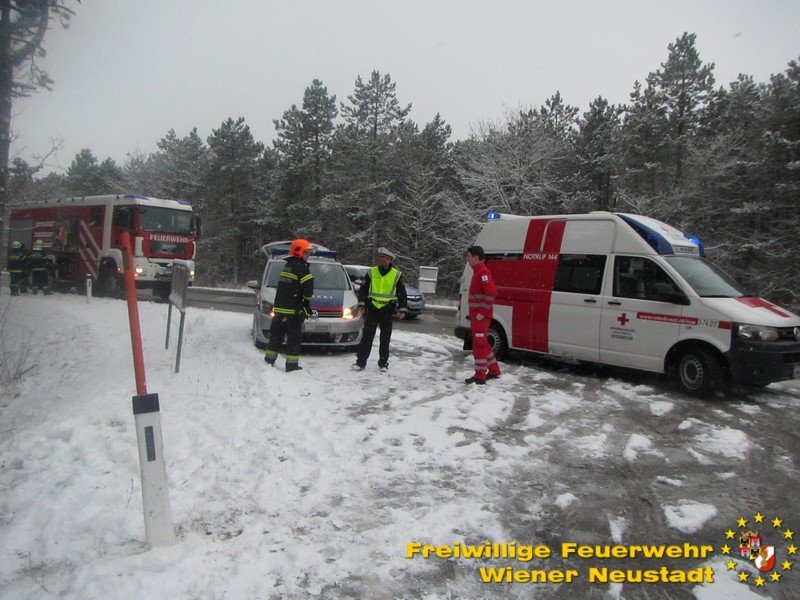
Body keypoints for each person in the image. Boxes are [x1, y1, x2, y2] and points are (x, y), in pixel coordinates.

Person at [353, 247, 408, 372]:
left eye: (385, 258)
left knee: (385, 338)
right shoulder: (372, 272)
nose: (382, 259)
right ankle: (360, 362)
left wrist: (402, 309)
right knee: (367, 337)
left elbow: (401, 293)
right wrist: (361, 303)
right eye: (380, 257)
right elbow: (363, 289)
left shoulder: (396, 274)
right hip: (373, 309)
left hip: (387, 310)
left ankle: (383, 363)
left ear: (390, 260)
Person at [264, 239, 314, 372]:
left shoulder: (288, 265)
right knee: (294, 339)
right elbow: (308, 289)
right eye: (307, 253)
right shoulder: (301, 268)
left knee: (276, 337)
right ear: (300, 252)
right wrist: (305, 304)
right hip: (292, 312)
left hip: (279, 310)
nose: (308, 256)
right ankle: (292, 365)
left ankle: (269, 360)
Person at [465, 245, 501, 385]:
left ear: (476, 257)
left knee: (479, 345)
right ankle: (494, 370)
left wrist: (482, 312)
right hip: (477, 316)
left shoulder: (482, 272)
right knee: (483, 343)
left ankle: (480, 376)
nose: (468, 260)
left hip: (480, 317)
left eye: (469, 257)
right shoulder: (479, 271)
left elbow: (491, 292)